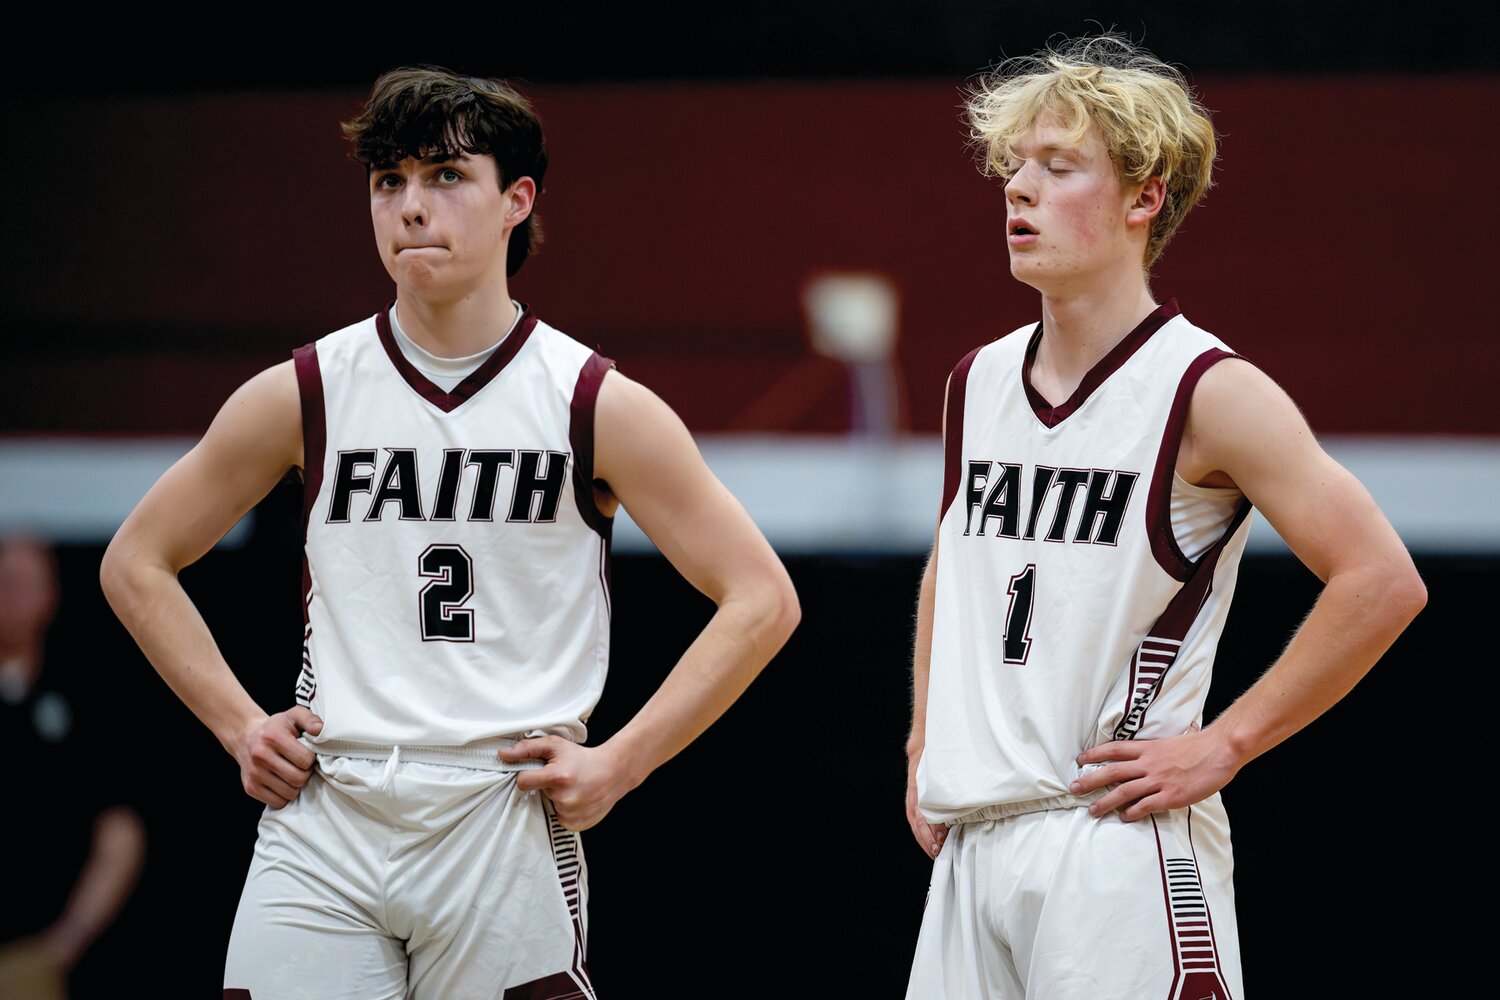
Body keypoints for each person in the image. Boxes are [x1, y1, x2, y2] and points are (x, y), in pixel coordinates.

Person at [100, 66, 800, 998]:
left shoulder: (593, 402)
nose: (412, 207)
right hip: (329, 806)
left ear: (517, 201)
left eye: (444, 177)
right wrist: (238, 727)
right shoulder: (308, 389)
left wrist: (621, 764)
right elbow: (136, 562)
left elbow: (763, 599)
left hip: (496, 807)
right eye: (389, 182)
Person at [903, 35, 1426, 999]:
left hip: (1114, 848)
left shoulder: (1208, 389)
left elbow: (1384, 579)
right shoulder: (975, 381)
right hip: (971, 843)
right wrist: (923, 736)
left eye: (1058, 168)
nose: (1019, 189)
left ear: (1144, 198)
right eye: (1015, 167)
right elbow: (959, 559)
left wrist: (1224, 743)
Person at [0, 535, 147, 1000]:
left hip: (33, 953)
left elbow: (120, 829)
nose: (11, 596)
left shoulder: (81, 700)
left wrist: (68, 939)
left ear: (50, 597)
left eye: (24, 584)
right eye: (3, 582)